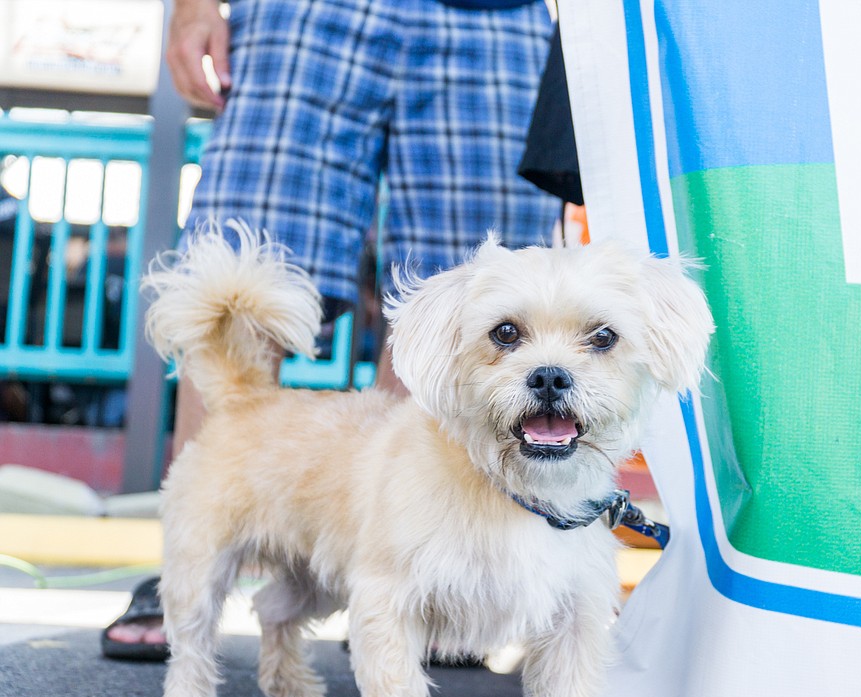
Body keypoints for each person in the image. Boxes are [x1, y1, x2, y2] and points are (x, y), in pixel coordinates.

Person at [102, 0, 561, 660]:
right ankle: (192, 559)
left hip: (498, 17)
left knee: (470, 309)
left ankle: (421, 580)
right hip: (306, 11)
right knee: (239, 280)